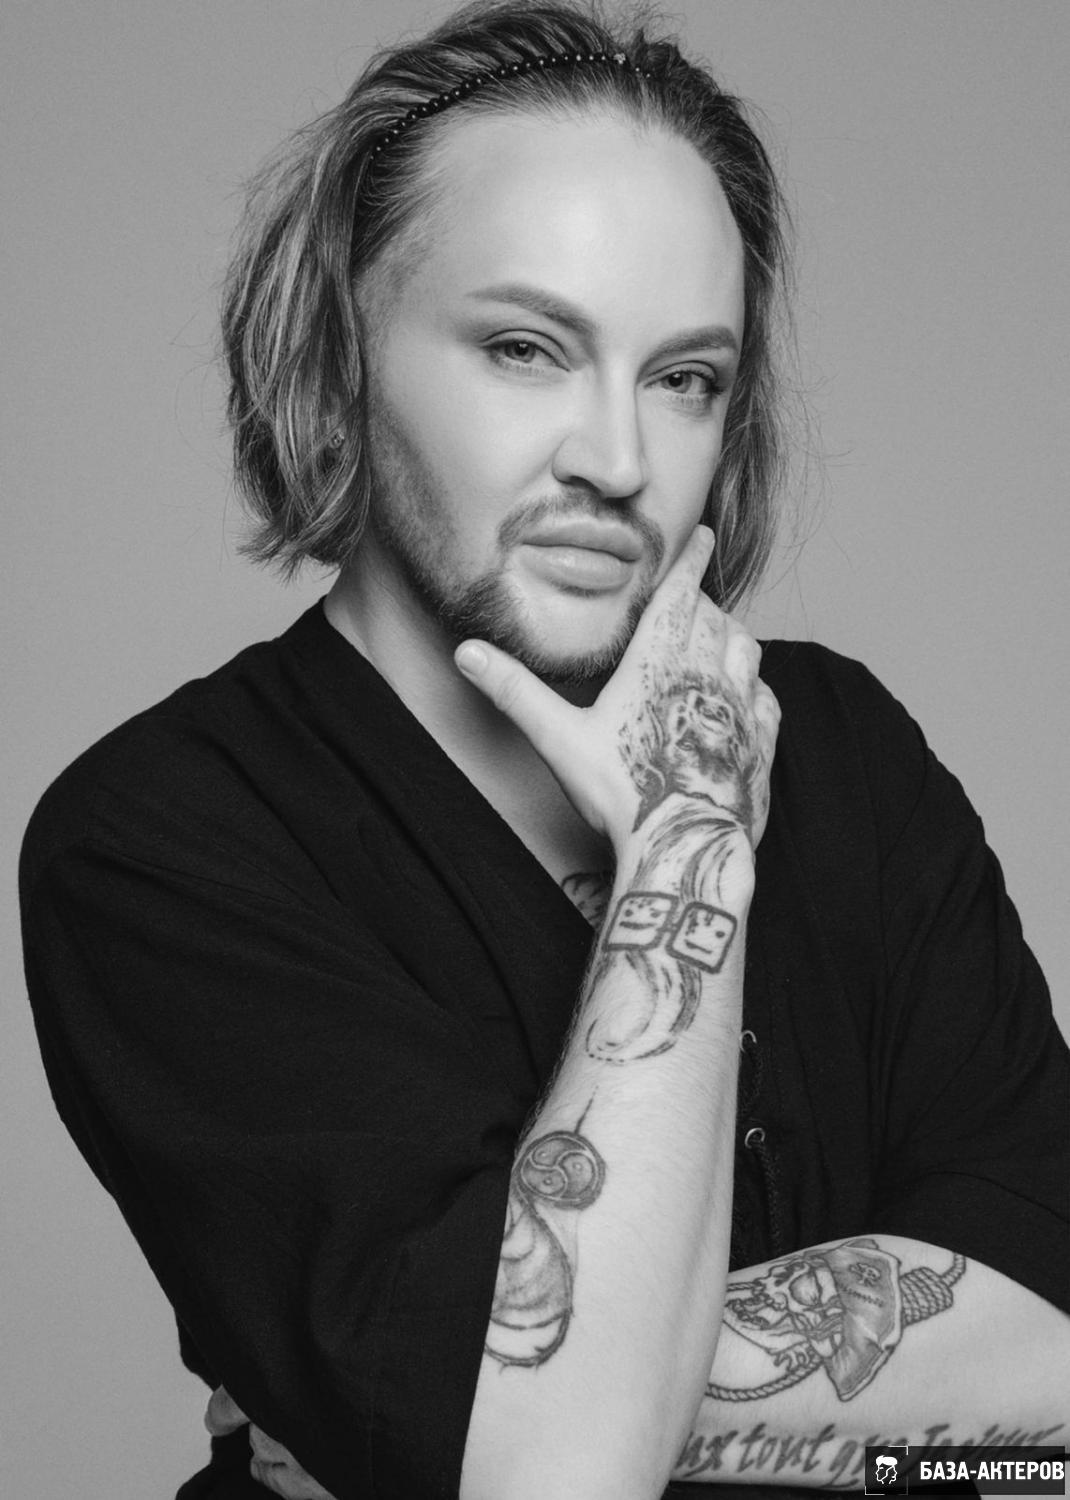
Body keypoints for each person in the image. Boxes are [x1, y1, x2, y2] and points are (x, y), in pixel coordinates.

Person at [18, 3, 1069, 1498]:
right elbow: (552, 1483)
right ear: (339, 352)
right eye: (525, 349)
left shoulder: (846, 753)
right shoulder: (160, 835)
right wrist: (690, 831)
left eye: (684, 378)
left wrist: (497, 1396)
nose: (617, 461)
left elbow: (1054, 1384)